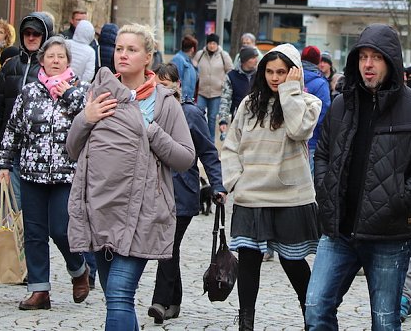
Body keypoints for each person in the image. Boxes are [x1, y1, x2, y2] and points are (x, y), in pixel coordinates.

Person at [306, 24, 411, 331]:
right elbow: (323, 153)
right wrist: (325, 188)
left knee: (384, 322)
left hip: (389, 234)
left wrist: (399, 198)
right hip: (339, 230)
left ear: (391, 61)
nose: (368, 65)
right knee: (316, 309)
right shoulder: (343, 103)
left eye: (376, 58)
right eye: (363, 57)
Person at [66, 24, 195, 330]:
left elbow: (186, 158)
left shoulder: (164, 102)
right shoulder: (100, 93)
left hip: (141, 214)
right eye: (119, 48)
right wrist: (87, 118)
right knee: (115, 298)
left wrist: (150, 131)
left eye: (132, 49)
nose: (123, 55)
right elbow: (73, 149)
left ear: (147, 57)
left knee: (120, 293)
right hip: (101, 208)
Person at [219, 44, 321, 329]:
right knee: (249, 263)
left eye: (282, 72)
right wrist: (234, 182)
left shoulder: (309, 103)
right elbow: (231, 147)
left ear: (294, 72)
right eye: (269, 71)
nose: (275, 77)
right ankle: (245, 323)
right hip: (251, 196)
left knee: (293, 263)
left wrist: (290, 91)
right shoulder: (249, 104)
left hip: (290, 197)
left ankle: (313, 318)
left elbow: (298, 129)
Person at [0, 36, 90, 309]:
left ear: (69, 61)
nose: (56, 61)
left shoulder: (81, 89)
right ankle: (40, 291)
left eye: (61, 56)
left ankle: (78, 270)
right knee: (34, 232)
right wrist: (4, 163)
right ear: (42, 61)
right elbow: (13, 129)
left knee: (61, 229)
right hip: (31, 172)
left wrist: (68, 94)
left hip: (66, 172)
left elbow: (88, 120)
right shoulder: (29, 91)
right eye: (51, 56)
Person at [147, 62, 226, 324]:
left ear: (178, 85)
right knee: (170, 247)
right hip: (156, 190)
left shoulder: (190, 114)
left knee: (167, 245)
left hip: (182, 192)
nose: (163, 89)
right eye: (158, 84)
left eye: (167, 83)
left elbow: (208, 152)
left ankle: (159, 301)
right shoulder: (147, 111)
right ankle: (175, 300)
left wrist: (217, 185)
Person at [0, 12, 54, 207]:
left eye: (35, 34)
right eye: (27, 33)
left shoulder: (53, 68)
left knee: (35, 205)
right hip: (10, 145)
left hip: (40, 148)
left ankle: (29, 235)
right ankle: (12, 234)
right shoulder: (10, 66)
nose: (30, 37)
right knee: (7, 197)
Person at [193, 33, 233, 140]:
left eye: (214, 43)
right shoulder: (200, 54)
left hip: (217, 92)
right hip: (201, 91)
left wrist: (223, 83)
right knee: (199, 115)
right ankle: (199, 139)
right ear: (207, 44)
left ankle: (211, 141)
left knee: (212, 118)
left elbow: (230, 71)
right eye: (210, 43)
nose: (212, 46)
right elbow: (193, 68)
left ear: (217, 44)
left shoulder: (223, 55)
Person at [300, 46, 331, 172]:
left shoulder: (290, 77)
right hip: (312, 140)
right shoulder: (320, 84)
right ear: (317, 61)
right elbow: (324, 114)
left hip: (289, 138)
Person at [217, 47, 259, 135]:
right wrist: (223, 120)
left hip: (258, 118)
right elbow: (225, 99)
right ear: (245, 61)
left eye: (256, 57)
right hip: (239, 118)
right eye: (253, 58)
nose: (256, 60)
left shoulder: (260, 75)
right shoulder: (232, 76)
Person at [172, 35, 198, 102]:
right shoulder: (178, 59)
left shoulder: (189, 61)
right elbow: (175, 80)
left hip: (187, 100)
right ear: (192, 49)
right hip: (181, 100)